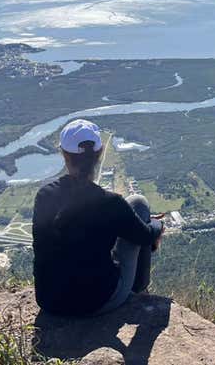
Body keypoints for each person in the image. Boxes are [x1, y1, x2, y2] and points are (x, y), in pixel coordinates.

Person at [32, 119, 164, 316]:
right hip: (97, 302)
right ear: (100, 153)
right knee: (138, 203)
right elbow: (146, 237)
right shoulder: (111, 203)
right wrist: (158, 224)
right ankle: (139, 290)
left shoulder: (45, 195)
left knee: (130, 216)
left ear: (63, 154)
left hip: (49, 300)